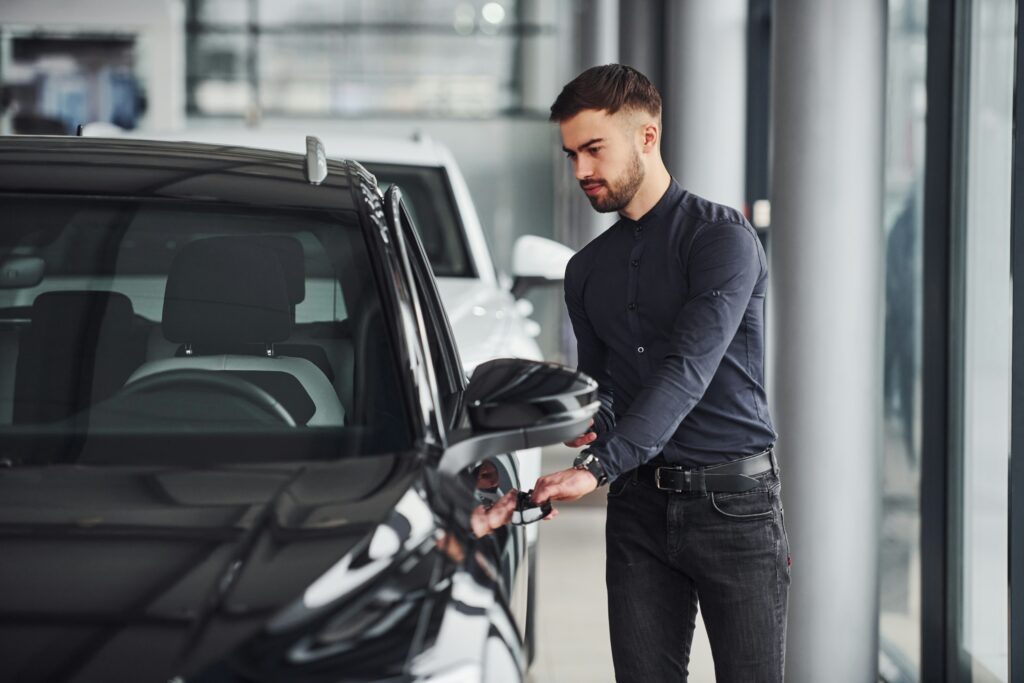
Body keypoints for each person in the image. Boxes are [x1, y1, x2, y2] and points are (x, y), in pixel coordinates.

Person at [530, 64, 790, 682]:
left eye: (594, 149)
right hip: (639, 508)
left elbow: (685, 373)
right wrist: (584, 420)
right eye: (571, 155)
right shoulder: (587, 270)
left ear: (647, 137)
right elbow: (608, 389)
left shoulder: (721, 241)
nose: (581, 172)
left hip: (735, 506)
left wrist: (595, 468)